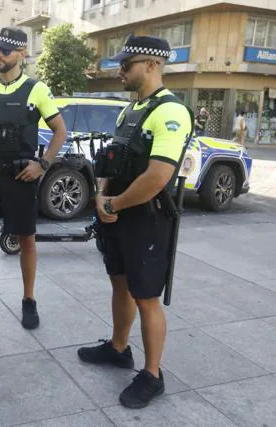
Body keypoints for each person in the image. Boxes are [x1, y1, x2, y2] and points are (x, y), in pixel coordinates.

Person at [76, 36, 193, 409]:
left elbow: (158, 176)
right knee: (120, 286)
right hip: (119, 214)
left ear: (153, 65)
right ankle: (118, 347)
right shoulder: (131, 110)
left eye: (127, 65)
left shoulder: (171, 112)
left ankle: (153, 374)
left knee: (146, 298)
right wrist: (101, 194)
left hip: (147, 219)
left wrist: (116, 203)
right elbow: (111, 161)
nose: (121, 71)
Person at [0, 27, 67, 329]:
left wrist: (43, 164)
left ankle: (29, 300)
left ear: (21, 54)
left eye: (5, 50)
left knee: (26, 239)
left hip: (22, 175)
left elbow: (60, 132)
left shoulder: (36, 89)